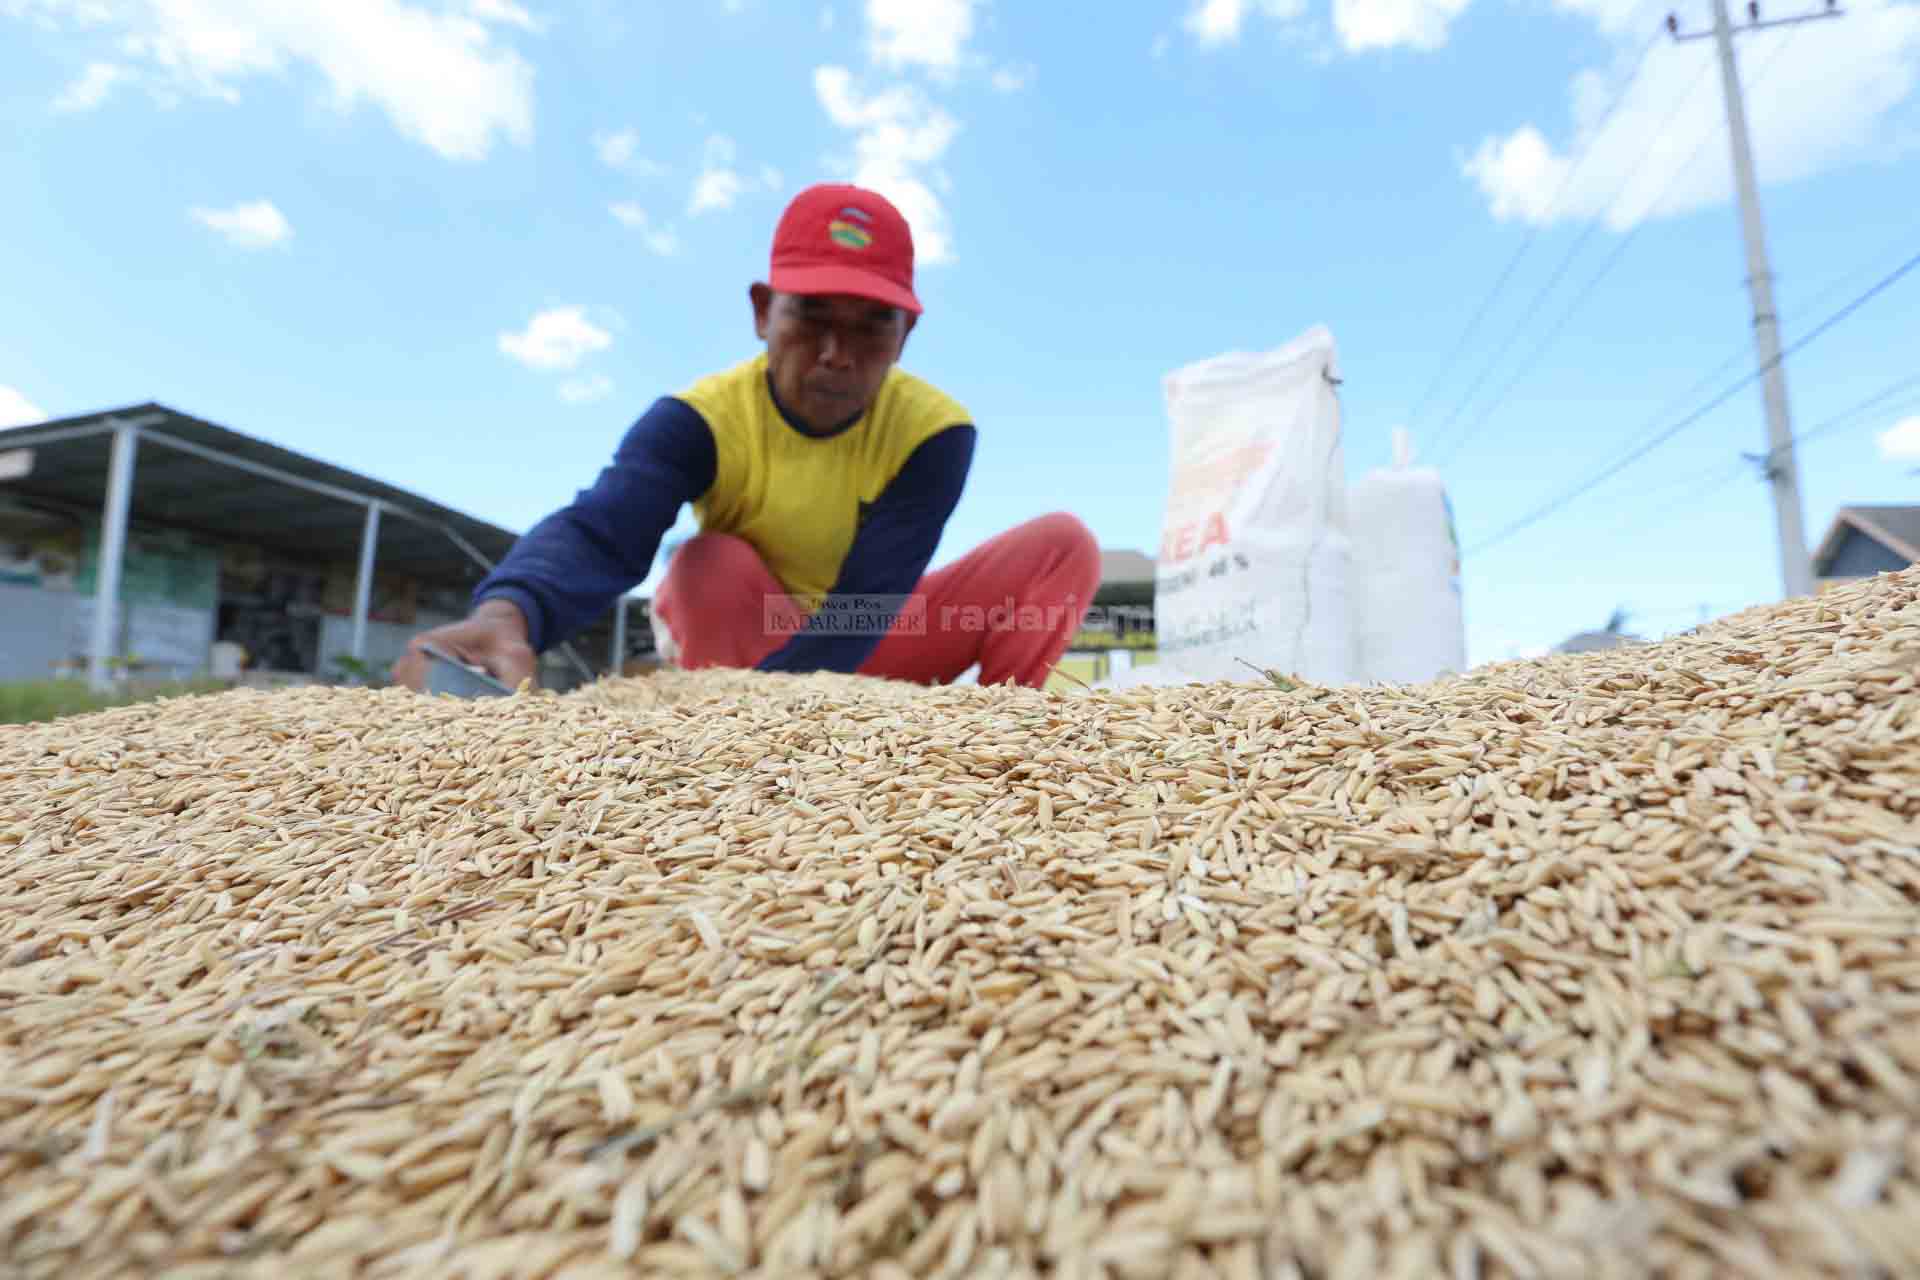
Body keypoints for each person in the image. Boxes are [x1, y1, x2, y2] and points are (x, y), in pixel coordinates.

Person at [391, 182, 1101, 695]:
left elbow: (873, 598)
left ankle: (1014, 745)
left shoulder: (935, 432)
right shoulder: (698, 420)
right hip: (751, 651)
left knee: (1061, 543)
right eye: (812, 315)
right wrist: (505, 614)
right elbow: (605, 529)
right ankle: (745, 745)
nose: (836, 353)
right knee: (707, 564)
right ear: (763, 313)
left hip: (870, 631)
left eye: (871, 324)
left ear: (906, 335)